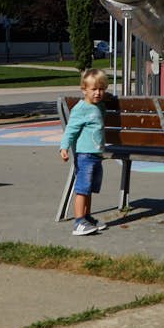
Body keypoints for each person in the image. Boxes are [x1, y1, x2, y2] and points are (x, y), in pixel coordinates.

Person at [59, 67, 110, 235]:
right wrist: (64, 147)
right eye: (93, 89)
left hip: (96, 156)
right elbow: (70, 130)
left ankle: (87, 217)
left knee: (89, 189)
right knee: (82, 188)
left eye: (101, 89)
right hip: (85, 156)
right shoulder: (81, 109)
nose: (98, 93)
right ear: (84, 90)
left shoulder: (99, 106)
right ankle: (78, 222)